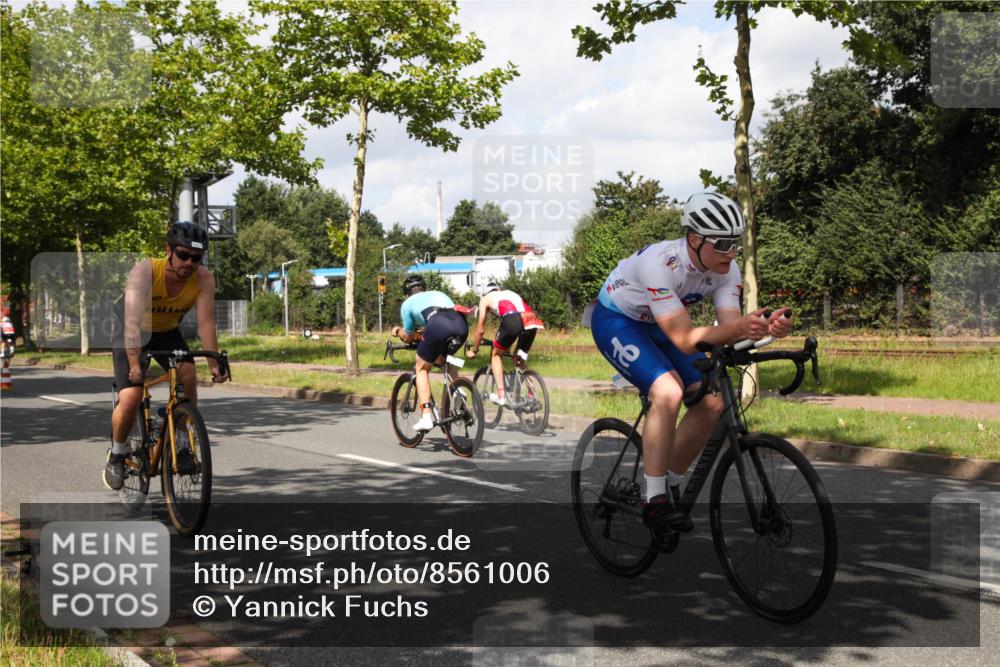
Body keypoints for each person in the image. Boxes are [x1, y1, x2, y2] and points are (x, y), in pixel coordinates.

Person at [591, 191, 792, 532]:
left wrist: (763, 330)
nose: (731, 252)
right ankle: (653, 500)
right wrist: (740, 328)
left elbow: (731, 330)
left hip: (659, 324)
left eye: (736, 243)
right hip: (618, 320)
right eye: (723, 243)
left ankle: (668, 480)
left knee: (712, 404)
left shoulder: (727, 269)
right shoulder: (661, 263)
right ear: (695, 239)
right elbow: (684, 339)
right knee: (668, 392)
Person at [104, 222, 230, 490]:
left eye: (196, 258)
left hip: (167, 331)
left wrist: (213, 362)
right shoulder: (145, 272)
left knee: (187, 372)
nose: (189, 263)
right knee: (131, 396)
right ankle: (117, 452)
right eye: (183, 255)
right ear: (168, 250)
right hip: (132, 329)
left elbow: (206, 323)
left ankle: (182, 444)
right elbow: (132, 323)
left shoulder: (204, 278)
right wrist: (136, 364)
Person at [390, 275, 469, 432]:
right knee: (444, 359)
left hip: (437, 325)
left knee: (421, 368)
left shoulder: (407, 304)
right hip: (461, 325)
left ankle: (426, 416)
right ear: (423, 288)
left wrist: (397, 331)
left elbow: (408, 335)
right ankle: (459, 391)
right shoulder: (438, 293)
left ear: (407, 293)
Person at [468, 282, 544, 406]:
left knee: (496, 356)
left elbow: (480, 330)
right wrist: (506, 347)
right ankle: (532, 393)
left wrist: (474, 350)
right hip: (531, 320)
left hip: (513, 320)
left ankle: (501, 395)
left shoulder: (485, 299)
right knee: (518, 360)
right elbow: (518, 318)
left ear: (484, 293)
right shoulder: (509, 293)